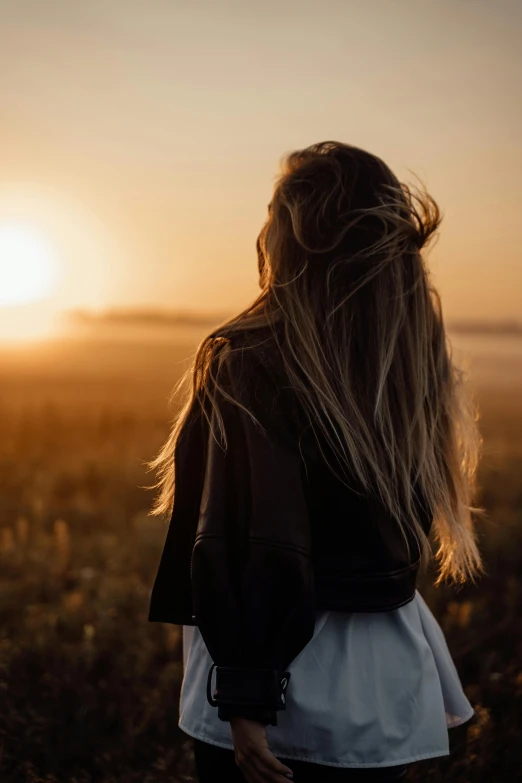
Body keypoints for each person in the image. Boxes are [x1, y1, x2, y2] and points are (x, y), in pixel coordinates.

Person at [146, 141, 484, 782]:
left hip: (272, 685)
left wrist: (244, 695)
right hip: (380, 677)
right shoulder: (407, 355)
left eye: (273, 212)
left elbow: (250, 543)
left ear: (296, 236)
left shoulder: (247, 358)